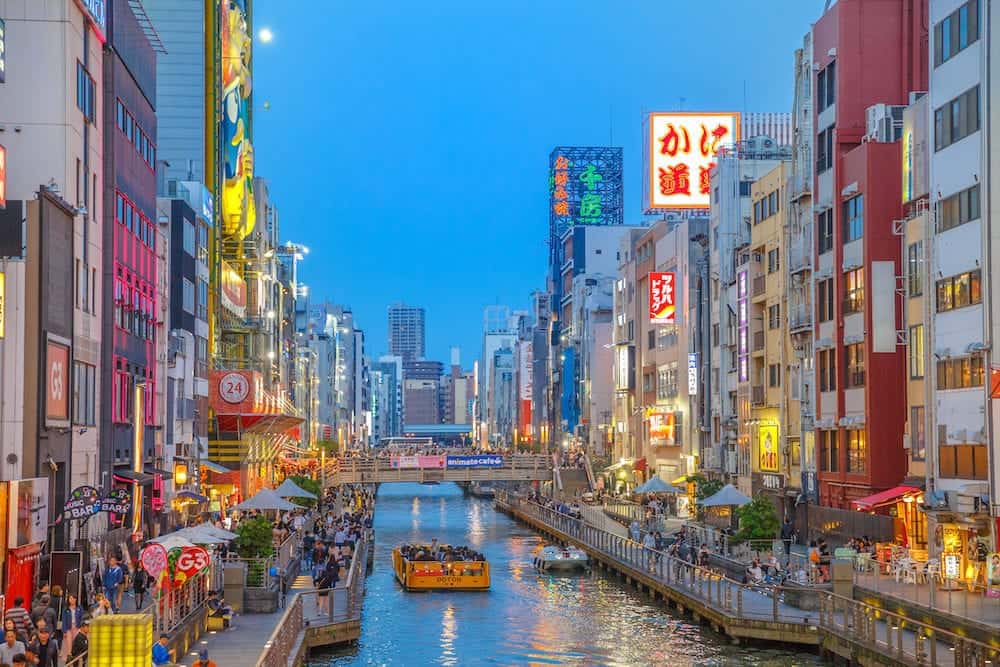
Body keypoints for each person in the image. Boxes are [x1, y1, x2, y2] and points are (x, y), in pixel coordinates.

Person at [60, 594, 83, 663]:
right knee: (68, 643)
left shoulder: (79, 608)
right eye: (70, 599)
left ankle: (76, 657)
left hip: (77, 627)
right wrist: (64, 631)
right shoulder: (66, 609)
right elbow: (63, 620)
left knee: (76, 642)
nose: (72, 600)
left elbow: (81, 618)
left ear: (76, 599)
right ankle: (68, 658)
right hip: (68, 628)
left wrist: (81, 627)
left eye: (73, 598)